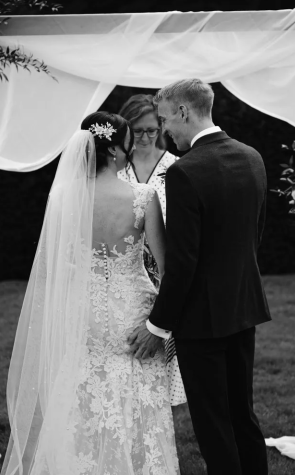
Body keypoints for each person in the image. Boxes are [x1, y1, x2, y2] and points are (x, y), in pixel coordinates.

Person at [2, 112, 179, 475]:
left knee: (83, 393)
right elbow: (168, 269)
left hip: (83, 310)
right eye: (128, 142)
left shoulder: (64, 195)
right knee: (136, 398)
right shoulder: (143, 197)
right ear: (115, 150)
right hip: (133, 312)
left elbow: (52, 267)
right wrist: (161, 323)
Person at [128, 78, 272, 475]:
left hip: (201, 321)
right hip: (244, 309)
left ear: (184, 112)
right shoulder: (252, 156)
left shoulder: (185, 172)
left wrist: (158, 326)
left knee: (213, 423)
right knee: (242, 413)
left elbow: (183, 260)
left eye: (165, 119)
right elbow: (253, 236)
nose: (165, 130)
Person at [116, 94, 187, 408]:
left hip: (165, 270)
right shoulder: (115, 168)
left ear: (161, 127)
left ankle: (160, 408)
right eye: (138, 130)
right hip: (125, 270)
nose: (144, 137)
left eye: (151, 130)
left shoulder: (177, 167)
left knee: (163, 351)